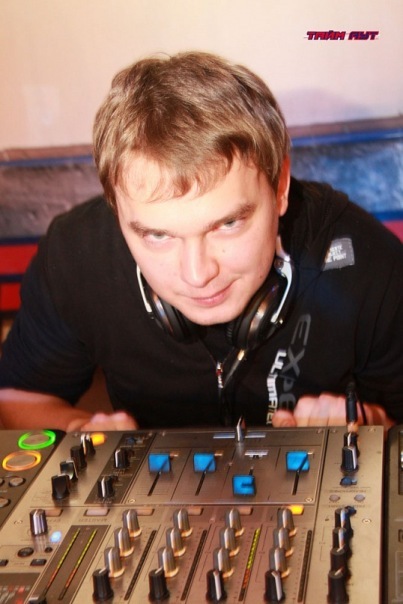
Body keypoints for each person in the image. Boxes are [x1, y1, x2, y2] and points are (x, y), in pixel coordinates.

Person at [0, 51, 402, 434]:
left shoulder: (366, 263)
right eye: (158, 236)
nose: (198, 275)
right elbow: (18, 397)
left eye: (228, 224)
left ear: (279, 187)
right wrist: (80, 432)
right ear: (116, 209)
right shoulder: (76, 254)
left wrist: (370, 426)